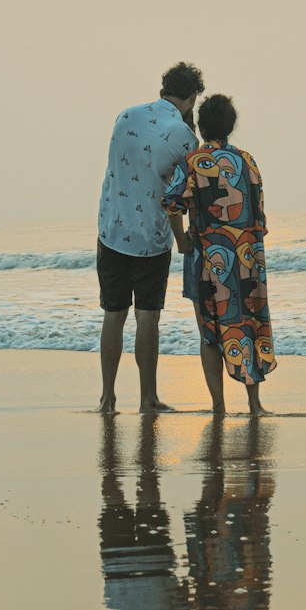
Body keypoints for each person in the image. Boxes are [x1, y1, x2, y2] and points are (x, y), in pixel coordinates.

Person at [96, 62, 204, 412]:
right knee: (147, 317)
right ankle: (147, 398)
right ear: (191, 97)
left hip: (111, 229)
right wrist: (183, 239)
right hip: (150, 239)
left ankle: (108, 398)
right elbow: (177, 196)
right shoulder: (184, 135)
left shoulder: (125, 115)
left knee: (113, 314)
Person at [163, 94, 276, 417]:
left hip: (206, 263)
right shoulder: (248, 161)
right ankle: (255, 405)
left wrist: (182, 240)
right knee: (247, 327)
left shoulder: (192, 162)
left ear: (199, 125)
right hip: (247, 260)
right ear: (231, 125)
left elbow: (172, 203)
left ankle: (219, 407)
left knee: (210, 334)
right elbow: (260, 217)